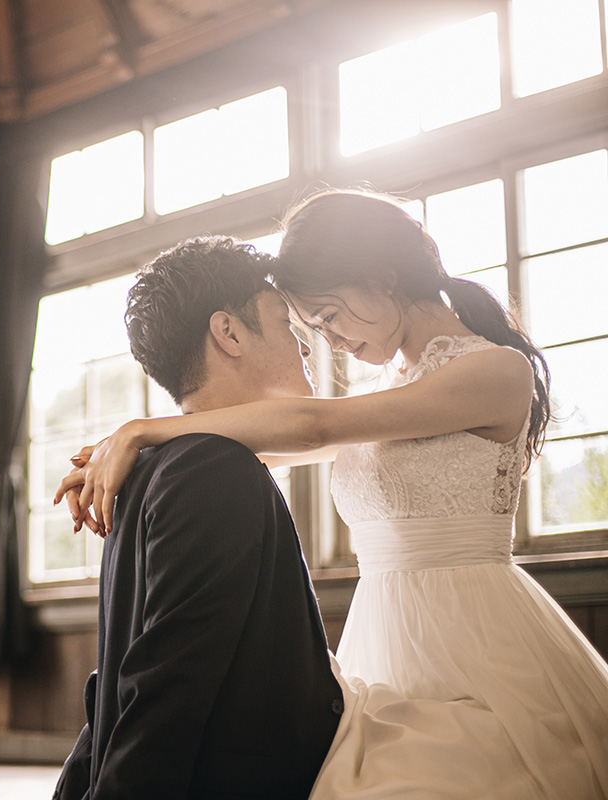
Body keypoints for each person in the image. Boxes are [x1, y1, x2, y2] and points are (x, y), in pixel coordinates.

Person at [56, 190, 608, 798]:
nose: (331, 341)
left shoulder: (496, 372)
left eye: (328, 315)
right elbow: (253, 444)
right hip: (389, 630)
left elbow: (312, 427)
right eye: (314, 326)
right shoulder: (388, 394)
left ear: (382, 278)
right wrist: (126, 459)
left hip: (474, 629)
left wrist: (141, 429)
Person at [52, 236, 345, 799]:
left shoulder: (143, 466)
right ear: (228, 333)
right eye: (285, 321)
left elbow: (117, 683)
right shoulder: (216, 469)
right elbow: (166, 685)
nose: (305, 345)